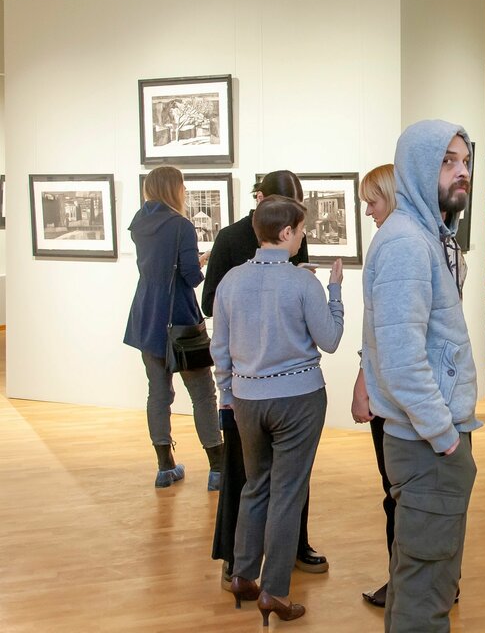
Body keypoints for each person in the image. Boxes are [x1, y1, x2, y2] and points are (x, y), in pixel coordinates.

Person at [361, 119, 479, 633]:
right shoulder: (407, 243)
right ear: (416, 168)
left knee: (428, 580)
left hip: (431, 441)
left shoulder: (425, 236)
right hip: (428, 445)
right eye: (448, 162)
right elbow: (402, 356)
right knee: (424, 591)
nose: (462, 173)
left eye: (465, 161)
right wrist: (444, 434)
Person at [211, 196, 345, 626]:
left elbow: (221, 348)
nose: (301, 237)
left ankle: (244, 575)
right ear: (286, 233)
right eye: (301, 231)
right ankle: (275, 592)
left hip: (248, 399)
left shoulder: (231, 281)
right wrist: (335, 291)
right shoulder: (303, 283)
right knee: (288, 493)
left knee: (256, 486)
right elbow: (331, 339)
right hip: (299, 399)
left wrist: (226, 393)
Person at [124, 165, 223, 490]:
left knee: (158, 392)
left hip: (145, 316)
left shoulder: (140, 223)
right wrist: (204, 260)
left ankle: (165, 466)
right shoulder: (180, 224)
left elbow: (161, 263)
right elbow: (190, 277)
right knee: (203, 394)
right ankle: (218, 467)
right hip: (178, 317)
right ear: (174, 189)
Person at [350, 163, 399, 608]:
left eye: (373, 201)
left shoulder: (394, 246)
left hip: (394, 394)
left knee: (396, 493)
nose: (368, 211)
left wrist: (364, 378)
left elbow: (383, 328)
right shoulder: (424, 242)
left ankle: (405, 582)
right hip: (397, 390)